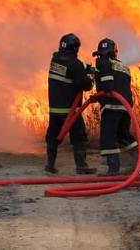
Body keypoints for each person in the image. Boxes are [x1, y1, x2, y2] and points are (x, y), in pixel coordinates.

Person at [45, 33, 97, 175]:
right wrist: (91, 77)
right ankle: (81, 166)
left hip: (54, 109)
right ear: (75, 48)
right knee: (79, 136)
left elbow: (73, 66)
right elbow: (85, 85)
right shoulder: (74, 64)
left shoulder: (55, 58)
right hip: (69, 110)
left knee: (53, 136)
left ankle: (50, 164)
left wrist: (86, 67)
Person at [92, 38, 138, 176]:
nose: (99, 56)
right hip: (125, 106)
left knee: (108, 137)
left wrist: (101, 94)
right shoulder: (124, 66)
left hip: (112, 105)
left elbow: (107, 84)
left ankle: (113, 170)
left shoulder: (102, 62)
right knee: (123, 136)